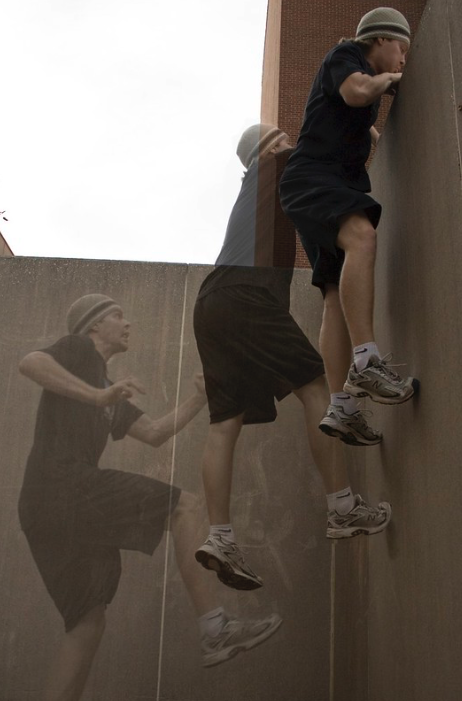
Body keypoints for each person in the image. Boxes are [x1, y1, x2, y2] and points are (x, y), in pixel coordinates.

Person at [18, 294, 282, 700]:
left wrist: (198, 397)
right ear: (93, 325)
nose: (127, 323)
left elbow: (156, 433)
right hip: (61, 486)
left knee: (88, 623)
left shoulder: (109, 387)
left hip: (44, 509)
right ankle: (215, 629)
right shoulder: (77, 348)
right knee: (186, 506)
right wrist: (96, 397)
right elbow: (31, 363)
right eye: (117, 315)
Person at [193, 124, 392, 593]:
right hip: (248, 294)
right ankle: (342, 508)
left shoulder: (261, 188)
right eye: (279, 136)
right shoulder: (277, 165)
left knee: (225, 422)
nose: (288, 140)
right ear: (266, 149)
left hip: (212, 302)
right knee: (317, 389)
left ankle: (219, 536)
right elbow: (337, 142)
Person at [279, 7, 417, 447]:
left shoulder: (368, 81)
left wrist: (384, 136)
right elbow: (357, 92)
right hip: (313, 179)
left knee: (337, 294)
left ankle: (341, 408)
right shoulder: (346, 56)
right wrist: (390, 82)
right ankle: (366, 360)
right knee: (363, 235)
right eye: (401, 48)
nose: (403, 60)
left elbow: (366, 129)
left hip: (315, 186)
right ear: (379, 39)